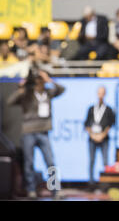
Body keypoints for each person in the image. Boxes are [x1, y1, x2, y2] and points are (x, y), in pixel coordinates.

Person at [7, 68, 65, 199]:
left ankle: (55, 190)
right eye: (37, 80)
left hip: (43, 132)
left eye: (40, 80)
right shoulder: (27, 93)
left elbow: (62, 89)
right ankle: (31, 190)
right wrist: (21, 87)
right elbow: (10, 101)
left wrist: (49, 79)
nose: (39, 82)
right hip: (29, 132)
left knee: (50, 162)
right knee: (29, 163)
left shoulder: (48, 92)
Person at [84, 86, 116, 188]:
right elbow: (86, 124)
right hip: (92, 138)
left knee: (105, 160)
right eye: (99, 92)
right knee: (92, 160)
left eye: (102, 93)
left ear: (105, 94)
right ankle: (91, 182)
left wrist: (102, 135)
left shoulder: (109, 109)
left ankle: (105, 182)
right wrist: (92, 135)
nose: (100, 95)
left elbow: (110, 124)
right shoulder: (91, 108)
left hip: (104, 138)